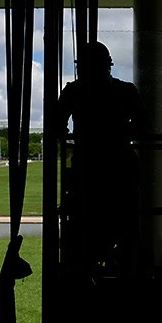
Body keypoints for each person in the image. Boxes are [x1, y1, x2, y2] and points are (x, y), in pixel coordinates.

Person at [60, 42, 145, 274]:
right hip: (120, 168)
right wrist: (119, 135)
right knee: (127, 229)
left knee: (85, 230)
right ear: (108, 65)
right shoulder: (125, 90)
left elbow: (57, 123)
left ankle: (86, 275)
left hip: (87, 168)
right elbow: (142, 124)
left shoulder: (74, 91)